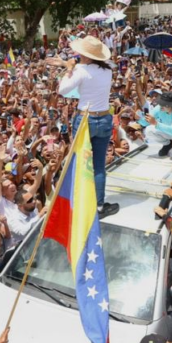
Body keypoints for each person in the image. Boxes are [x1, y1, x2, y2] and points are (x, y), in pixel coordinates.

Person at [48, 35, 118, 217]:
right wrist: (67, 64)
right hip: (103, 119)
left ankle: (79, 202)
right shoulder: (108, 69)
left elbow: (62, 90)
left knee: (80, 163)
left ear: (84, 55)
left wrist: (68, 69)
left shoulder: (79, 71)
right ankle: (99, 205)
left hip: (85, 120)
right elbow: (86, 68)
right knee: (99, 165)